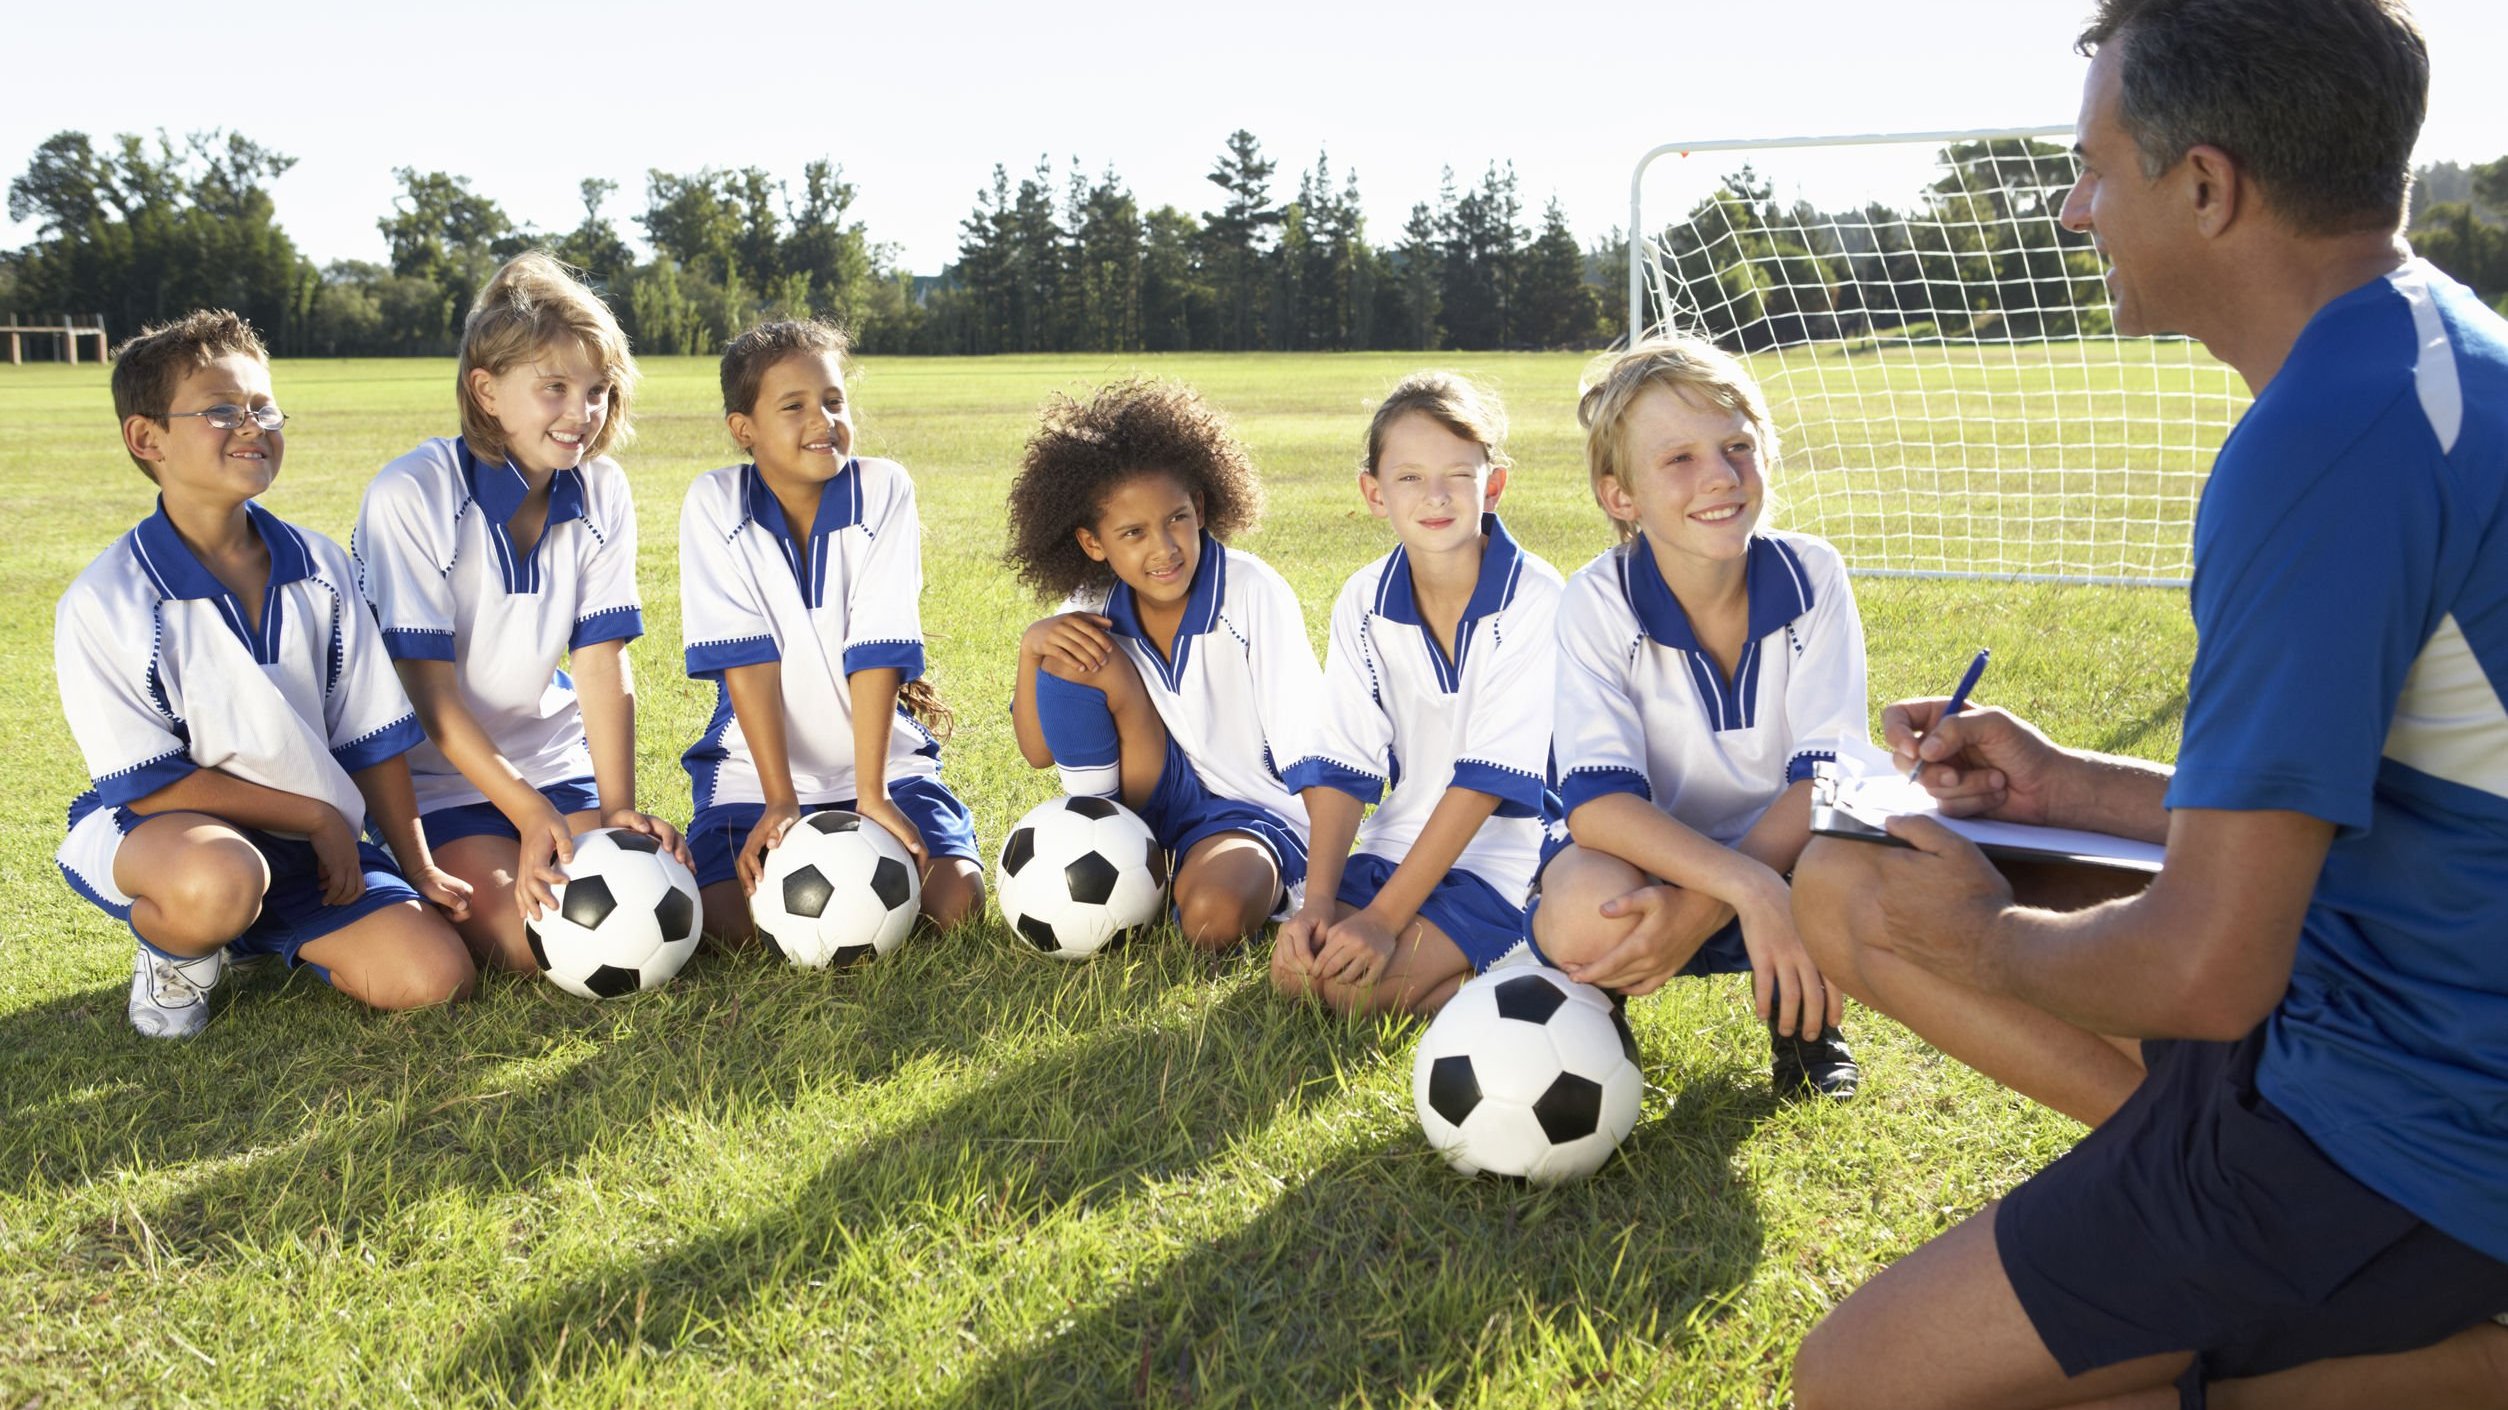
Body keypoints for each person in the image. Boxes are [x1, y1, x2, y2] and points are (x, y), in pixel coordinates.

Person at [1789, 2, 2508, 1405]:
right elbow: (2387, 807)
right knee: (1856, 890)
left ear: (2206, 184)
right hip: (2403, 1000)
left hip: (2415, 1115)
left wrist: (1990, 933)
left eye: (2096, 166)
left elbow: (2204, 967)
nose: (2074, 208)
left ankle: (2432, 1360)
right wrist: (2070, 788)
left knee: (1857, 1385)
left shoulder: (2327, 440)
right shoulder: (2435, 352)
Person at [55, 310, 477, 1037]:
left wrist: (418, 865)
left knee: (434, 979)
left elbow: (370, 738)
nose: (251, 425)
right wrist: (316, 815)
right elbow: (148, 783)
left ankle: (250, 932)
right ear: (146, 438)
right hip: (171, 834)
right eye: (221, 410)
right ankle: (179, 949)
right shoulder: (106, 599)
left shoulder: (323, 568)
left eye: (262, 407)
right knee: (220, 879)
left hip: (311, 850)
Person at [1531, 338, 1868, 1099]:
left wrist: (1733, 893)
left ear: (1767, 458)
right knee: (1587, 913)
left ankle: (1806, 1026)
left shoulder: (1813, 575)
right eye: (1677, 458)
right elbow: (1598, 808)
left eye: (1737, 446)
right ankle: (1595, 1012)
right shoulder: (1597, 599)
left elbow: (1830, 786)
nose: (1719, 475)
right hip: (1649, 852)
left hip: (1790, 844)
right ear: (1622, 497)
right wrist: (1744, 889)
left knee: (1861, 869)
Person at [353, 252, 686, 975]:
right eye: (555, 388)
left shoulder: (601, 488)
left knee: (651, 895)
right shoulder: (412, 493)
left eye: (598, 390)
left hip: (555, 767)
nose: (582, 414)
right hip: (435, 784)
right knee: (535, 942)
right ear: (487, 390)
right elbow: (427, 695)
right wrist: (528, 814)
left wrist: (618, 806)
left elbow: (601, 660)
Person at [678, 319, 983, 942]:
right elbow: (748, 660)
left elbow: (875, 648)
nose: (823, 420)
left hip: (883, 766)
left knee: (955, 904)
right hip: (751, 773)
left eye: (834, 401)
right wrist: (780, 800)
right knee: (726, 929)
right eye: (794, 406)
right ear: (745, 430)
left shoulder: (882, 488)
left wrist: (870, 794)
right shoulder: (714, 502)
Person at [1271, 372, 1563, 1014]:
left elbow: (1486, 782)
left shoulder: (1538, 600)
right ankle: (1462, 967)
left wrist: (1382, 919)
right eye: (1408, 477)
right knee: (1298, 978)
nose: (1435, 496)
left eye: (1458, 475)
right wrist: (1315, 905)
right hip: (1396, 843)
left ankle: (1542, 963)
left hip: (1511, 858)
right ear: (1374, 494)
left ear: (1493, 485)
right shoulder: (1364, 600)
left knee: (1352, 995)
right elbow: (1344, 764)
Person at [1006, 379, 1321, 949]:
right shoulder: (1088, 601)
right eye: (1133, 532)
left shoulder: (1251, 593)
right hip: (1145, 794)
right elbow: (1036, 751)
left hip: (1245, 812)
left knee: (1213, 917)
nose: (1164, 548)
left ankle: (1175, 876)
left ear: (1199, 507)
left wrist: (1325, 887)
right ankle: (1105, 840)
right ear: (1093, 542)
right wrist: (1032, 649)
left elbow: (1311, 748)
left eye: (1176, 518)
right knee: (1072, 649)